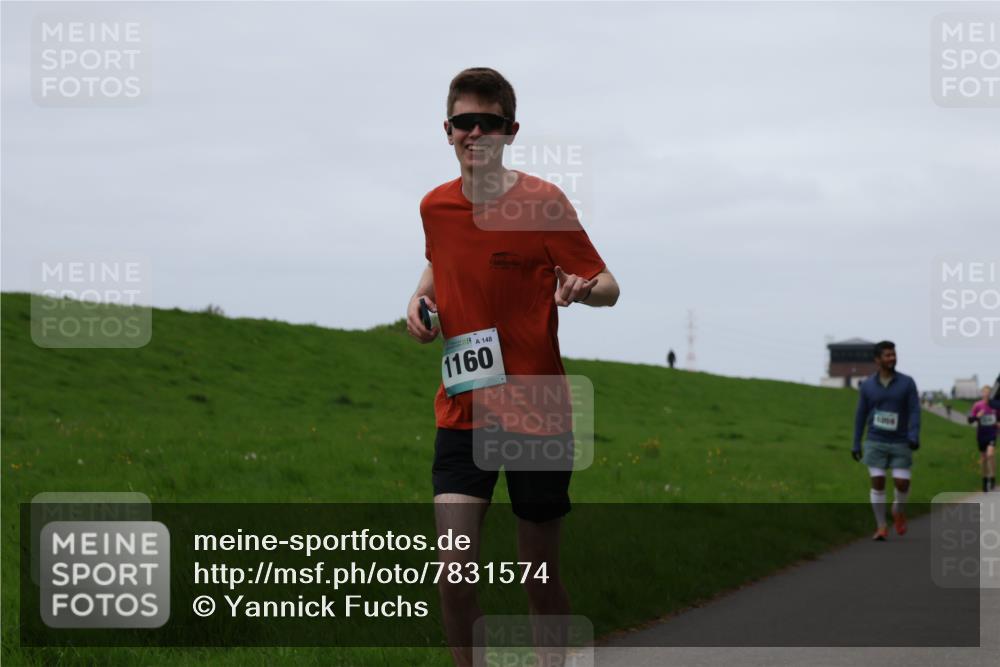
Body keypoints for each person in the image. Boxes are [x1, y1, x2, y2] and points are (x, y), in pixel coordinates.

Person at [405, 67, 620, 667]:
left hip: (537, 415)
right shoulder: (435, 207)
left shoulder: (543, 202)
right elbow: (437, 264)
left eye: (489, 123)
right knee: (452, 572)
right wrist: (417, 301)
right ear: (446, 130)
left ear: (511, 131)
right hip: (463, 410)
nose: (476, 133)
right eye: (464, 122)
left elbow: (609, 285)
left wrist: (584, 288)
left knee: (538, 578)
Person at [851, 341, 921, 541]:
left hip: (900, 441)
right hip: (875, 440)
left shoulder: (907, 383)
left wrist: (914, 435)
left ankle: (898, 511)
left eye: (894, 354)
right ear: (877, 359)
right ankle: (881, 526)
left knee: (902, 483)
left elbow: (915, 411)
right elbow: (860, 414)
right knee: (878, 481)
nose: (892, 358)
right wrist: (856, 442)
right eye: (887, 355)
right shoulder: (867, 386)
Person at [968, 385, 998, 492]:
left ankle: (992, 477)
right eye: (984, 392)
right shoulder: (977, 405)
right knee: (984, 459)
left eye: (988, 392)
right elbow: (970, 420)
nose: (986, 394)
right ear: (982, 393)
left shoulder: (995, 406)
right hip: (981, 435)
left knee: (990, 455)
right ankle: (985, 480)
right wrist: (977, 416)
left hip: (992, 434)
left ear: (990, 394)